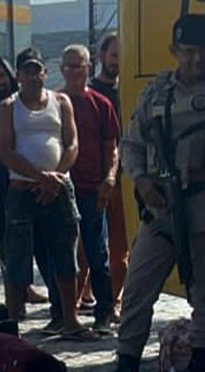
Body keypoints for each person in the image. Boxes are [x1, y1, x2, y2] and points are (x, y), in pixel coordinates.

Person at [87, 14, 205, 372]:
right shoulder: (156, 92)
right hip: (163, 207)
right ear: (174, 52)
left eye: (200, 51)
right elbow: (131, 144)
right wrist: (143, 182)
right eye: (186, 51)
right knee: (136, 290)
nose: (194, 59)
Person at [0, 47, 95, 339]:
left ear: (45, 72)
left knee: (66, 254)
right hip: (22, 190)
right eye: (26, 70)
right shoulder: (7, 108)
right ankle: (11, 327)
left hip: (59, 190)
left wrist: (58, 177)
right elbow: (5, 151)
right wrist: (40, 177)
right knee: (17, 259)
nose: (32, 75)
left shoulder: (61, 101)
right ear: (18, 75)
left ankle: (70, 320)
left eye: (37, 69)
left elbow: (72, 143)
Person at [59, 44, 119, 334]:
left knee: (98, 253)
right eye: (68, 66)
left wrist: (109, 178)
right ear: (61, 70)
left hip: (93, 188)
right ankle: (63, 314)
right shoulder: (53, 103)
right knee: (62, 254)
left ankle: (104, 312)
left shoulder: (101, 104)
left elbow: (112, 147)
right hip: (62, 188)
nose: (73, 71)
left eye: (78, 66)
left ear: (88, 68)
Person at [0, 57, 48, 309]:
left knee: (38, 237)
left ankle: (30, 286)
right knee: (10, 239)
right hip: (3, 179)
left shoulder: (30, 104)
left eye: (2, 75)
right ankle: (16, 296)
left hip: (33, 178)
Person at [89, 32, 129, 319]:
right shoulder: (90, 91)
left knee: (121, 247)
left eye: (122, 55)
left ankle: (114, 299)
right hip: (92, 177)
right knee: (87, 245)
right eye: (114, 55)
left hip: (125, 177)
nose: (117, 61)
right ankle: (80, 299)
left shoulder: (131, 90)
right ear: (102, 55)